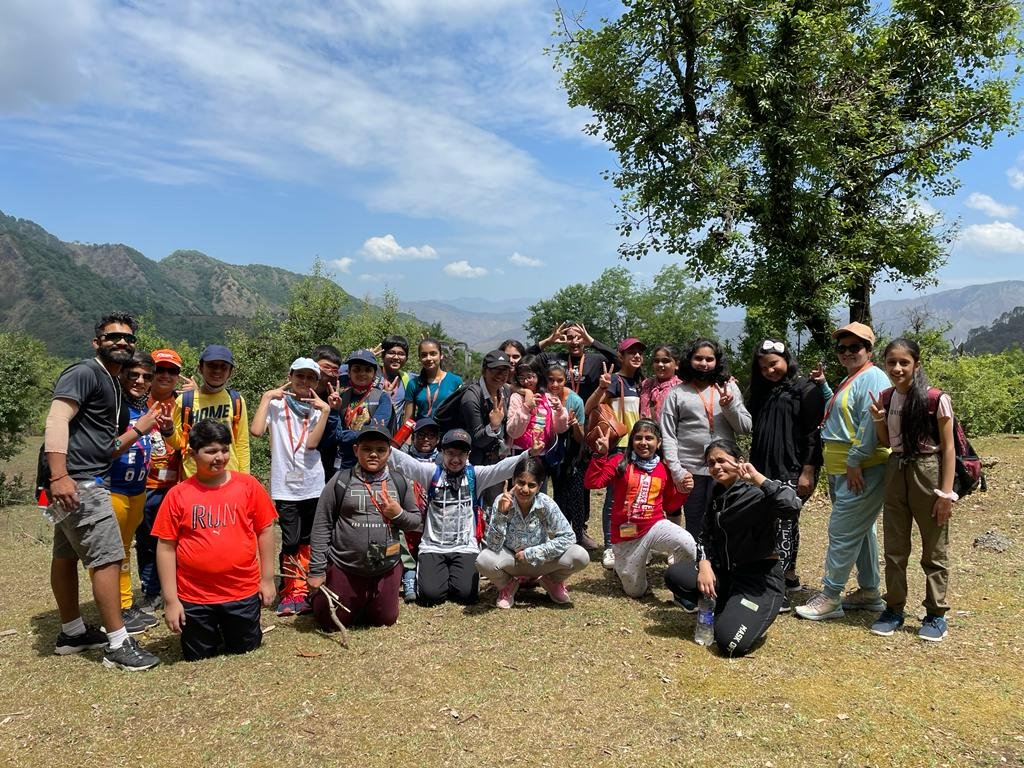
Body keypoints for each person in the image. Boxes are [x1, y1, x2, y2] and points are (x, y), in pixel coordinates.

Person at [44, 312, 160, 670]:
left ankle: (73, 632)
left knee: (65, 556)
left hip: (78, 478)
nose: (122, 342)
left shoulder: (110, 383)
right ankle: (118, 643)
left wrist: (139, 429)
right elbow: (56, 418)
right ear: (97, 342)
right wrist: (60, 475)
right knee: (108, 557)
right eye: (113, 337)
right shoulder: (86, 372)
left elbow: (104, 446)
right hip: (79, 482)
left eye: (128, 338)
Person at [153, 419, 278, 661]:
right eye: (210, 451)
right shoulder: (178, 495)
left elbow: (265, 530)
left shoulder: (248, 486)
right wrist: (171, 600)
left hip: (241, 592)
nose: (219, 457)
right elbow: (166, 547)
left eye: (224, 449)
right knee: (198, 655)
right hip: (195, 598)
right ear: (192, 453)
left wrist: (267, 579)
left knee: (245, 649)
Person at [665, 439, 799, 656]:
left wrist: (757, 477)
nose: (716, 467)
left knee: (729, 643)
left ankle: (747, 612)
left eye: (721, 461)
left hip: (759, 582)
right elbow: (705, 535)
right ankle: (728, 604)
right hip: (726, 573)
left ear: (740, 462)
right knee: (675, 575)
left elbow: (791, 505)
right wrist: (705, 564)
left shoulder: (758, 492)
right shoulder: (718, 493)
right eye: (711, 463)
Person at [796, 322, 891, 621]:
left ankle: (830, 595)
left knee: (841, 531)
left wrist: (855, 461)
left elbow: (869, 424)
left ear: (869, 349)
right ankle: (869, 591)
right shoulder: (854, 378)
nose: (848, 353)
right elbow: (839, 412)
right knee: (861, 531)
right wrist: (825, 386)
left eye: (855, 347)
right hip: (844, 467)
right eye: (842, 348)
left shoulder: (874, 378)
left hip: (861, 467)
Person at [387, 428, 538, 606]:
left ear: (469, 454)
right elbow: (407, 464)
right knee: (430, 597)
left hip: (466, 547)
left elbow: (500, 469)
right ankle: (438, 576)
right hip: (433, 547)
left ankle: (452, 576)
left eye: (461, 454)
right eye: (450, 453)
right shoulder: (431, 473)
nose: (456, 459)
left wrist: (528, 453)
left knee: (466, 595)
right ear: (442, 452)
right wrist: (384, 447)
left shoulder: (475, 475)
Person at [867, 339, 955, 642]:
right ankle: (894, 608)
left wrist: (946, 494)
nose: (897, 368)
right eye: (891, 362)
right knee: (894, 548)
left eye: (904, 362)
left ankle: (935, 614)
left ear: (916, 364)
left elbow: (949, 448)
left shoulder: (935, 398)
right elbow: (886, 443)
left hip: (928, 470)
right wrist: (879, 417)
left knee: (934, 548)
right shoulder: (886, 397)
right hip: (896, 469)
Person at [307, 424, 422, 629]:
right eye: (367, 449)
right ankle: (322, 598)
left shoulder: (400, 481)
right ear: (355, 450)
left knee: (385, 619)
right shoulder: (340, 481)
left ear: (389, 452)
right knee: (330, 622)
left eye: (380, 450)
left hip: (387, 564)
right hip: (346, 565)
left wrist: (398, 514)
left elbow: (415, 521)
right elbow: (321, 525)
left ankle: (367, 599)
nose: (373, 455)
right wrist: (316, 570)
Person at [249, 357, 332, 616]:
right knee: (291, 537)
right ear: (290, 376)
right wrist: (265, 398)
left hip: (313, 482)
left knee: (309, 537)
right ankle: (289, 590)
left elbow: (310, 444)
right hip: (285, 484)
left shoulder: (318, 409)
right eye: (300, 376)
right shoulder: (276, 404)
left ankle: (306, 589)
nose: (304, 382)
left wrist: (326, 411)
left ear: (317, 382)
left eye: (310, 378)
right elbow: (256, 431)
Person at [746, 339, 825, 604]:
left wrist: (808, 470)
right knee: (770, 522)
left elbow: (815, 433)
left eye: (774, 364)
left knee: (785, 524)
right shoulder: (760, 392)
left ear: (786, 360)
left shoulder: (805, 388)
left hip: (793, 469)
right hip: (762, 469)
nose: (769, 370)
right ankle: (785, 577)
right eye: (763, 367)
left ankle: (781, 581)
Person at [584, 419, 696, 598]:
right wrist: (600, 455)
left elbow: (670, 505)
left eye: (649, 438)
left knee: (688, 543)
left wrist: (684, 491)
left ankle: (680, 583)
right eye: (638, 438)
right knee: (635, 592)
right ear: (632, 441)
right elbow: (592, 483)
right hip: (626, 535)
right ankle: (631, 567)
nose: (643, 443)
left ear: (658, 442)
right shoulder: (619, 462)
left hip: (655, 527)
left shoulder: (663, 469)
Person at [661, 338, 751, 547]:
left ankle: (724, 565)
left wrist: (729, 407)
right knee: (695, 520)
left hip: (725, 469)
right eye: (698, 358)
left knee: (726, 517)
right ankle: (698, 564)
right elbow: (668, 435)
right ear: (688, 360)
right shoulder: (677, 393)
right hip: (690, 470)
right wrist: (677, 471)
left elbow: (745, 428)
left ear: (717, 362)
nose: (704, 363)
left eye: (709, 359)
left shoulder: (729, 388)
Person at [476, 457, 590, 608]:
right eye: (521, 483)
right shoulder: (502, 501)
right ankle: (508, 585)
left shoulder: (545, 503)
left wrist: (532, 553)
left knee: (580, 556)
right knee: (483, 560)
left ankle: (552, 581)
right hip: (512, 561)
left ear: (540, 486)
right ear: (513, 480)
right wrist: (501, 514)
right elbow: (493, 545)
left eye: (531, 485)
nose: (525, 490)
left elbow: (569, 537)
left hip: (540, 561)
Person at [105, 351, 162, 634]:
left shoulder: (145, 407)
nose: (140, 381)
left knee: (124, 551)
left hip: (137, 488)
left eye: (146, 377)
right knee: (111, 554)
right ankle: (116, 610)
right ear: (122, 375)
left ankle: (125, 605)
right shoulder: (114, 407)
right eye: (134, 375)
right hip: (113, 488)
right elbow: (106, 448)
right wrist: (140, 430)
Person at [136, 348, 189, 614]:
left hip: (177, 484)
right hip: (144, 485)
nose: (166, 375)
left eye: (173, 371)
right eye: (161, 369)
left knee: (176, 541)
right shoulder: (136, 400)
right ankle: (150, 592)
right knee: (146, 540)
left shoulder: (185, 403)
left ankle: (176, 588)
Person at [586, 337, 646, 569]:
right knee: (614, 499)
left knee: (633, 498)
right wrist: (602, 387)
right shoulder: (615, 381)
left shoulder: (641, 383)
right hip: (619, 446)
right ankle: (610, 546)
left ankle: (628, 542)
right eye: (631, 352)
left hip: (640, 447)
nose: (637, 356)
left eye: (640, 352)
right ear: (620, 356)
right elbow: (591, 407)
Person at [173, 344, 250, 478]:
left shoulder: (236, 400)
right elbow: (179, 443)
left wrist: (245, 479)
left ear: (230, 372)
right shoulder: (184, 401)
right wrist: (168, 431)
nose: (217, 371)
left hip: (229, 477)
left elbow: (241, 444)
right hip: (194, 478)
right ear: (200, 368)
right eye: (212, 365)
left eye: (223, 367)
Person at [545, 362, 591, 548]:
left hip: (572, 454)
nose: (555, 384)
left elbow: (581, 438)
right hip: (551, 452)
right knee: (559, 496)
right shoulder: (544, 398)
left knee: (577, 497)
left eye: (560, 380)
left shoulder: (575, 401)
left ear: (566, 380)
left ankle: (578, 537)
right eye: (551, 380)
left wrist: (574, 424)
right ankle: (560, 537)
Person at [399, 416, 441, 603]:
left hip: (434, 516)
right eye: (421, 435)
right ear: (413, 438)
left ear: (437, 440)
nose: (426, 439)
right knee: (407, 546)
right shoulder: (403, 458)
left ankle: (422, 577)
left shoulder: (443, 460)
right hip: (409, 513)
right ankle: (408, 578)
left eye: (431, 436)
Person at [332, 349, 395, 472]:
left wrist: (343, 436)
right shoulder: (340, 396)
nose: (362, 373)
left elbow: (373, 433)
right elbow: (334, 432)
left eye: (367, 370)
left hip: (370, 463)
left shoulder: (382, 398)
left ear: (374, 374)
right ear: (349, 372)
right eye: (357, 369)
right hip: (343, 462)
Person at [459, 349, 513, 470]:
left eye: (504, 370)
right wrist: (493, 426)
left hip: (495, 462)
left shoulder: (504, 390)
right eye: (494, 370)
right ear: (484, 371)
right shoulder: (471, 397)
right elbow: (477, 440)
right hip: (473, 465)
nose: (500, 375)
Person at [506, 354, 569, 456]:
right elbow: (513, 432)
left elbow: (560, 429)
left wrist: (560, 410)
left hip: (544, 453)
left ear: (538, 374)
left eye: (530, 376)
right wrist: (526, 407)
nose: (526, 381)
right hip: (521, 452)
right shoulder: (517, 397)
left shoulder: (549, 397)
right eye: (521, 378)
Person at [404, 339, 463, 421]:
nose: (428, 358)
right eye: (424, 355)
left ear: (441, 355)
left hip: (447, 431)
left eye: (433, 354)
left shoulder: (455, 381)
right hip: (423, 431)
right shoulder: (413, 384)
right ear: (419, 358)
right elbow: (408, 419)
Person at [639, 344, 681, 422]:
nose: (660, 364)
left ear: (677, 364)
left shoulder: (681, 388)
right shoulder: (646, 384)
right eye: (656, 361)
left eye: (665, 361)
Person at [377, 335, 412, 420]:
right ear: (383, 355)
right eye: (391, 353)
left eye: (401, 354)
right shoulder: (371, 374)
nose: (396, 357)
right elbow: (344, 370)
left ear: (406, 358)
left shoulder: (408, 379)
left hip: (393, 432)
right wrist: (366, 357)